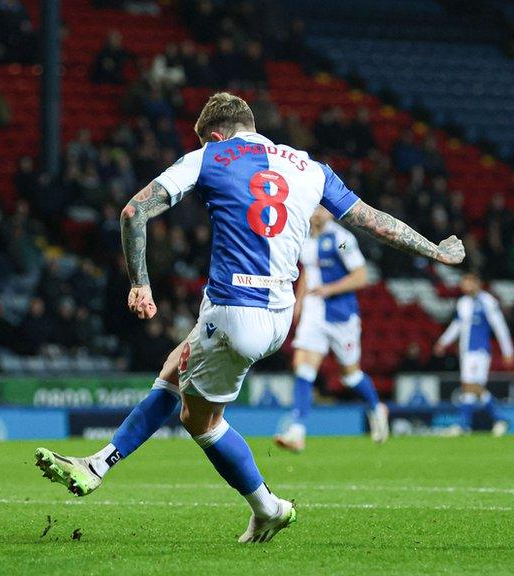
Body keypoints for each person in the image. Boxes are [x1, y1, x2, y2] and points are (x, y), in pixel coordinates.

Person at [34, 92, 465, 543]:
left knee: (199, 421)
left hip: (233, 311)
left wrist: (139, 282)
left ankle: (269, 507)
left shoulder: (210, 156)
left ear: (215, 134)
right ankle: (99, 463)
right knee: (173, 367)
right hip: (280, 315)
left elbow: (132, 211)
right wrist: (435, 250)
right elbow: (375, 222)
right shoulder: (309, 167)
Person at [275, 207, 388, 453]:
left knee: (350, 376)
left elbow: (361, 276)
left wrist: (329, 289)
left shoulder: (342, 240)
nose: (317, 211)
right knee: (303, 367)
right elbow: (308, 270)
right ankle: (297, 431)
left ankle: (377, 407)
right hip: (314, 313)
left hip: (341, 316)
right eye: (314, 206)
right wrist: (299, 301)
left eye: (322, 207)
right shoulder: (304, 235)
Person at [434, 271, 513, 436]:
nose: (465, 286)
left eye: (468, 282)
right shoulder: (463, 303)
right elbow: (457, 325)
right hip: (465, 352)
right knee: (471, 390)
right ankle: (467, 425)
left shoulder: (488, 301)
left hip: (479, 351)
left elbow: (499, 326)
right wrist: (443, 342)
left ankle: (496, 418)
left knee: (469, 386)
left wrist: (508, 351)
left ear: (477, 283)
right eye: (463, 283)